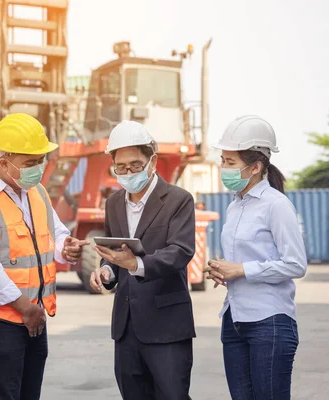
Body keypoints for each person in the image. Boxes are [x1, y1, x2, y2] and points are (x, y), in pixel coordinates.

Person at [0, 113, 89, 400]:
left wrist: (66, 246)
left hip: (33, 314)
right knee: (3, 394)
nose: (38, 169)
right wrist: (25, 308)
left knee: (29, 394)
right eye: (30, 163)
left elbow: (55, 234)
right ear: (4, 163)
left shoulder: (36, 192)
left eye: (40, 161)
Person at [89, 120, 196, 400]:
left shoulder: (178, 200)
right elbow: (113, 255)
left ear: (153, 161)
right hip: (126, 329)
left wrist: (136, 264)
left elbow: (180, 251)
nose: (128, 173)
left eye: (135, 165)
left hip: (167, 327)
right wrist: (106, 272)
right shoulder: (113, 203)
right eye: (121, 168)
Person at [204, 115, 307, 399]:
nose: (223, 168)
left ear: (255, 167)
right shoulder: (234, 206)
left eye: (230, 162)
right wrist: (224, 271)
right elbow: (243, 263)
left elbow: (296, 264)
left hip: (269, 321)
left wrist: (241, 270)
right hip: (234, 319)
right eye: (222, 160)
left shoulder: (276, 205)